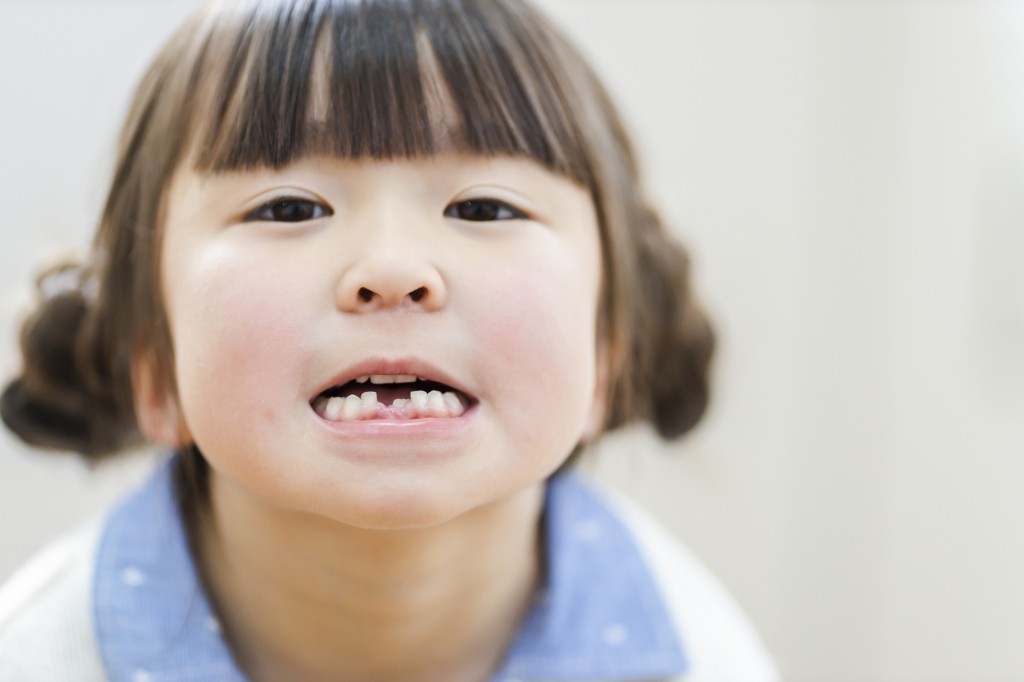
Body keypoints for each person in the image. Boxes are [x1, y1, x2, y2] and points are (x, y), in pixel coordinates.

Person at [0, 0, 776, 680]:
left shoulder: (706, 660)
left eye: (484, 209)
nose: (393, 269)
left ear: (608, 351)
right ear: (154, 363)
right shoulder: (36, 657)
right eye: (289, 209)